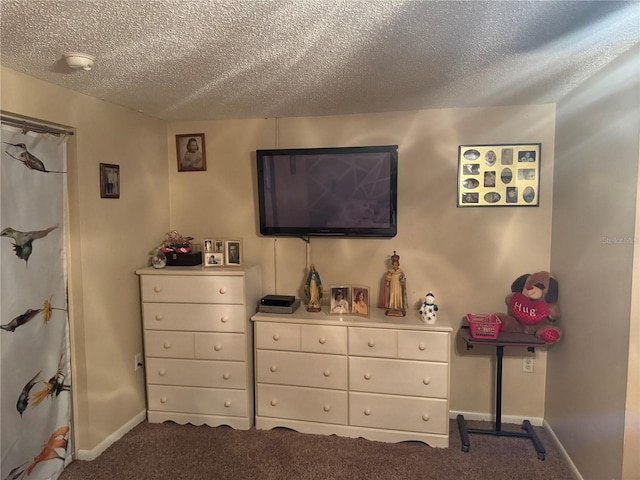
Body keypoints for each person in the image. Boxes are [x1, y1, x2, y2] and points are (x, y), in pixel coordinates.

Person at [383, 251, 407, 316]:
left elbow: (403, 279)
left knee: (398, 295)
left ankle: (399, 307)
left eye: (396, 264)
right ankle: (392, 306)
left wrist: (402, 279)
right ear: (392, 264)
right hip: (392, 284)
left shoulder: (400, 271)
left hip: (398, 285)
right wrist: (388, 275)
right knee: (392, 294)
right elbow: (388, 279)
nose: (395, 265)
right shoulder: (390, 271)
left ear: (398, 264)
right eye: (394, 264)